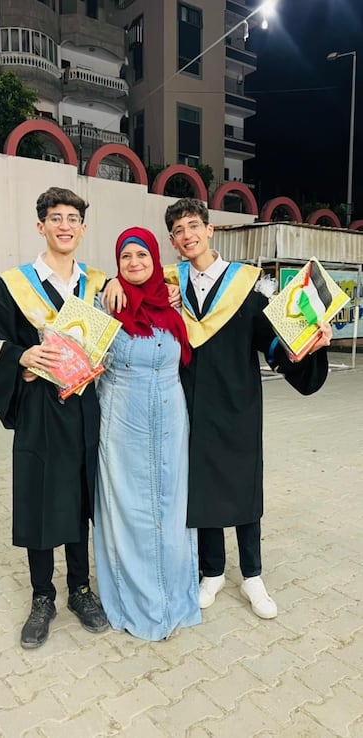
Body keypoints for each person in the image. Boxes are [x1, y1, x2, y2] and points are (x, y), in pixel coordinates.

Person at [163, 198, 331, 619]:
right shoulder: (168, 286)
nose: (188, 235)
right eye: (179, 230)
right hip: (189, 404)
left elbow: (275, 343)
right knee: (200, 486)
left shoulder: (248, 286)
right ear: (173, 241)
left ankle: (253, 574)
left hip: (237, 402)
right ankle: (213, 571)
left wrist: (311, 343)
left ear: (210, 229)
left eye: (193, 226)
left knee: (242, 484)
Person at [0, 186, 110, 648]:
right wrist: (21, 358)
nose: (64, 225)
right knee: (43, 498)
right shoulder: (13, 285)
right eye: (55, 217)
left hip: (88, 408)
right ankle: (42, 596)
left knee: (83, 499)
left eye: (72, 218)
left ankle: (80, 590)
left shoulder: (100, 284)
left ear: (83, 229)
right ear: (40, 226)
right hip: (41, 411)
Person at [93, 226, 201, 640]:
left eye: (142, 255)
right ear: (116, 264)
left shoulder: (174, 303)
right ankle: (133, 604)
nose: (135, 263)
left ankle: (174, 599)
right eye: (125, 257)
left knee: (171, 506)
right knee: (128, 511)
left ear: (156, 260)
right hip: (122, 421)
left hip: (172, 418)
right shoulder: (105, 305)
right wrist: (106, 284)